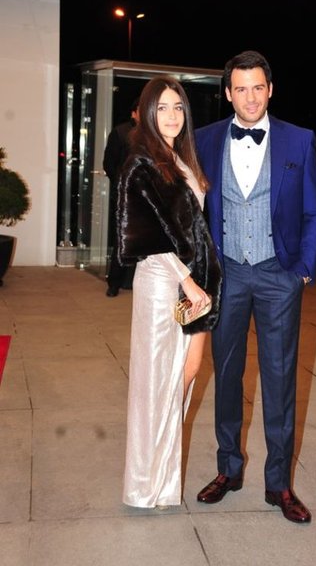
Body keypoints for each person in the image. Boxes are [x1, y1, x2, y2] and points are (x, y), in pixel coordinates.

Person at [195, 50, 316, 523]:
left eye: (257, 87)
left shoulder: (299, 140)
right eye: (240, 89)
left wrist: (302, 270)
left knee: (279, 379)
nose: (250, 98)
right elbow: (191, 210)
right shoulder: (204, 139)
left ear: (270, 90)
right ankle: (228, 470)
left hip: (278, 274)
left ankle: (279, 485)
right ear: (228, 93)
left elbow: (314, 210)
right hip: (227, 273)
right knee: (226, 377)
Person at [117, 76, 222, 509]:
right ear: (147, 113)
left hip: (194, 285)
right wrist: (187, 280)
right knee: (156, 384)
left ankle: (162, 480)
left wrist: (200, 280)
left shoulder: (182, 160)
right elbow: (146, 237)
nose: (172, 115)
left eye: (178, 106)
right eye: (162, 107)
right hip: (164, 284)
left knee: (189, 370)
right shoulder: (140, 165)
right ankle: (146, 487)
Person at [103, 97, 139, 297]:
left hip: (146, 197)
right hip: (123, 196)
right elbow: (109, 164)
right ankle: (114, 283)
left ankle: (132, 281)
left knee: (142, 239)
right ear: (134, 113)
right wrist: (121, 183)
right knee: (121, 239)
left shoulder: (153, 133)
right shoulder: (120, 132)